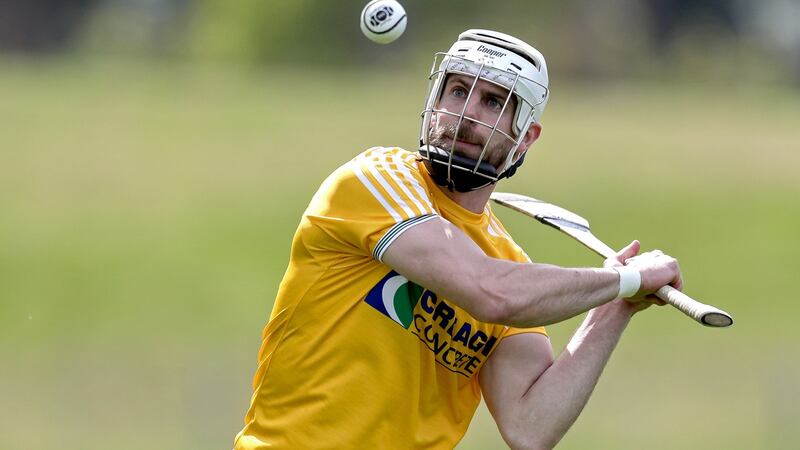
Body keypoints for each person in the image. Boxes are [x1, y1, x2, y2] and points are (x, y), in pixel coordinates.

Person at [233, 29, 683, 450]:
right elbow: (488, 292)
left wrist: (615, 307)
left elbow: (530, 426)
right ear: (435, 99)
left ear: (525, 138)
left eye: (492, 101)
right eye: (458, 91)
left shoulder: (508, 264)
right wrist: (623, 280)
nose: (467, 112)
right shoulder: (374, 182)